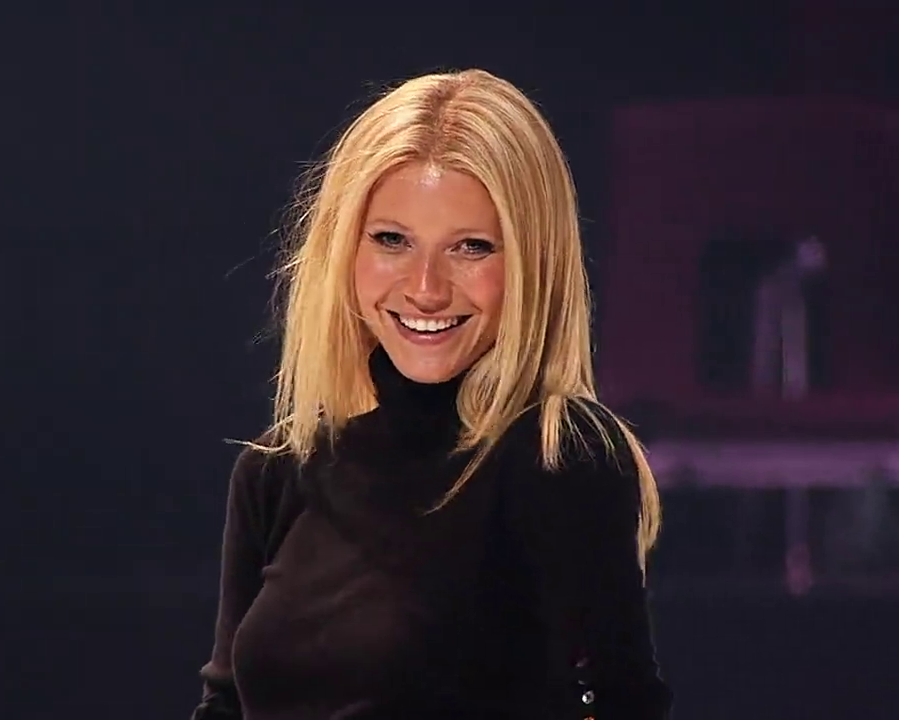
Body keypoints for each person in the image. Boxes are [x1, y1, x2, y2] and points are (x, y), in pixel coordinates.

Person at [190, 68, 671, 719]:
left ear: (532, 262)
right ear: (344, 249)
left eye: (471, 248)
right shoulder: (278, 470)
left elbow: (620, 702)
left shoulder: (558, 454)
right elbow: (224, 705)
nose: (426, 289)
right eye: (392, 240)